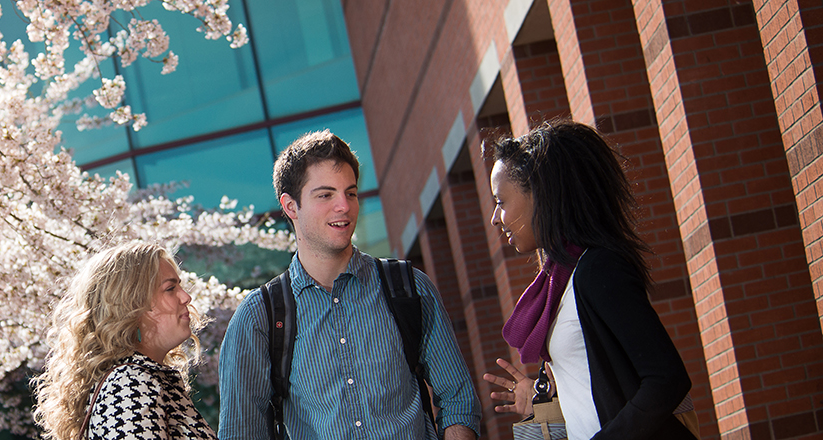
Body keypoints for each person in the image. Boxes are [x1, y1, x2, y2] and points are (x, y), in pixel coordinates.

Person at [218, 130, 481, 440]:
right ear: (290, 206)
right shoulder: (258, 318)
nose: (344, 205)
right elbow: (241, 433)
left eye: (351, 192)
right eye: (326, 195)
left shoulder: (408, 288)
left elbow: (458, 399)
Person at [480, 121, 695, 439]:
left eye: (501, 201)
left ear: (540, 194)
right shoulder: (559, 280)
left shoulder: (597, 268)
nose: (495, 218)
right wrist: (543, 395)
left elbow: (667, 379)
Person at [33, 241, 216, 440]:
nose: (186, 297)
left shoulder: (144, 378)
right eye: (170, 288)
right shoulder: (130, 384)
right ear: (132, 305)